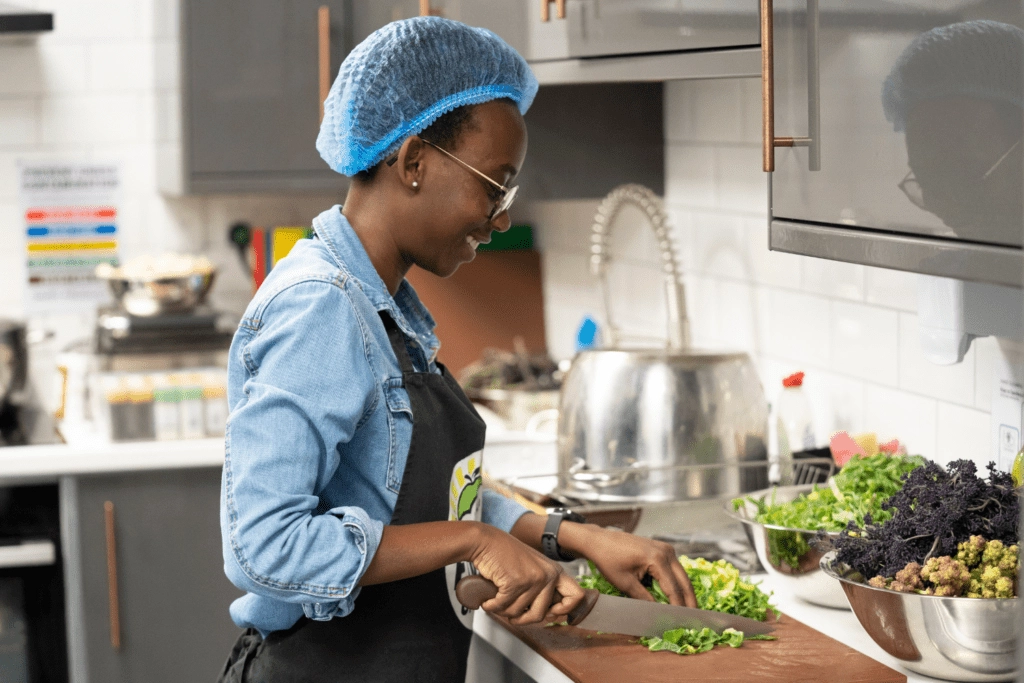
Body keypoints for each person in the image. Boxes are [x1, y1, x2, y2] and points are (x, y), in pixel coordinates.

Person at [216, 17, 696, 683]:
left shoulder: (386, 309)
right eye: (495, 184)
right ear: (413, 162)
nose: (501, 216)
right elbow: (264, 548)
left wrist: (574, 537)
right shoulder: (320, 306)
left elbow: (436, 503)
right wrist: (477, 542)